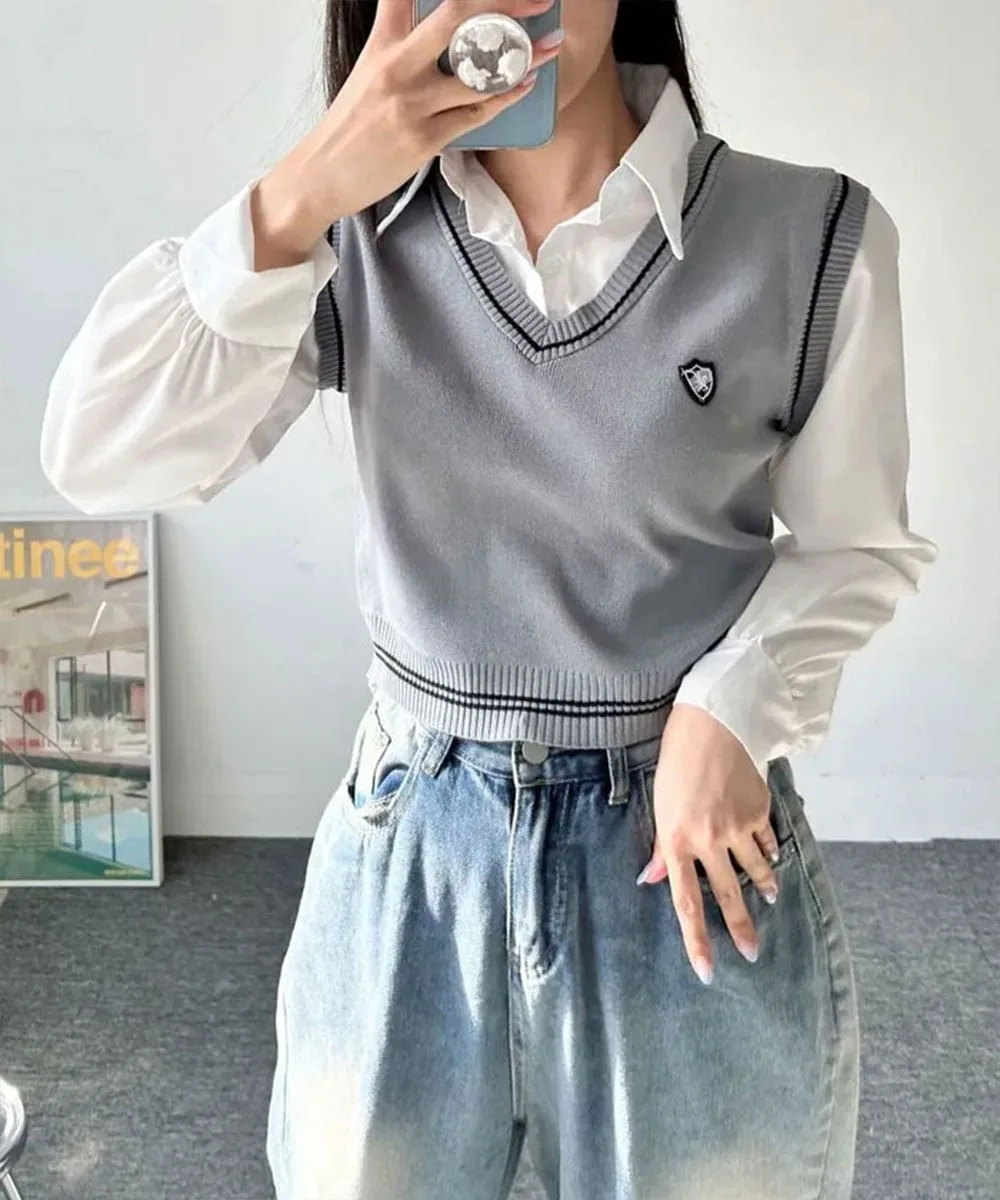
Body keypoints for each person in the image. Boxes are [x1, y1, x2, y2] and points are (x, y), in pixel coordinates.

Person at [40, 1, 939, 1196]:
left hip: (680, 851)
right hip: (415, 839)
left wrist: (730, 705)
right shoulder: (350, 232)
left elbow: (855, 546)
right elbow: (98, 456)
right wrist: (302, 189)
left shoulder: (811, 236)